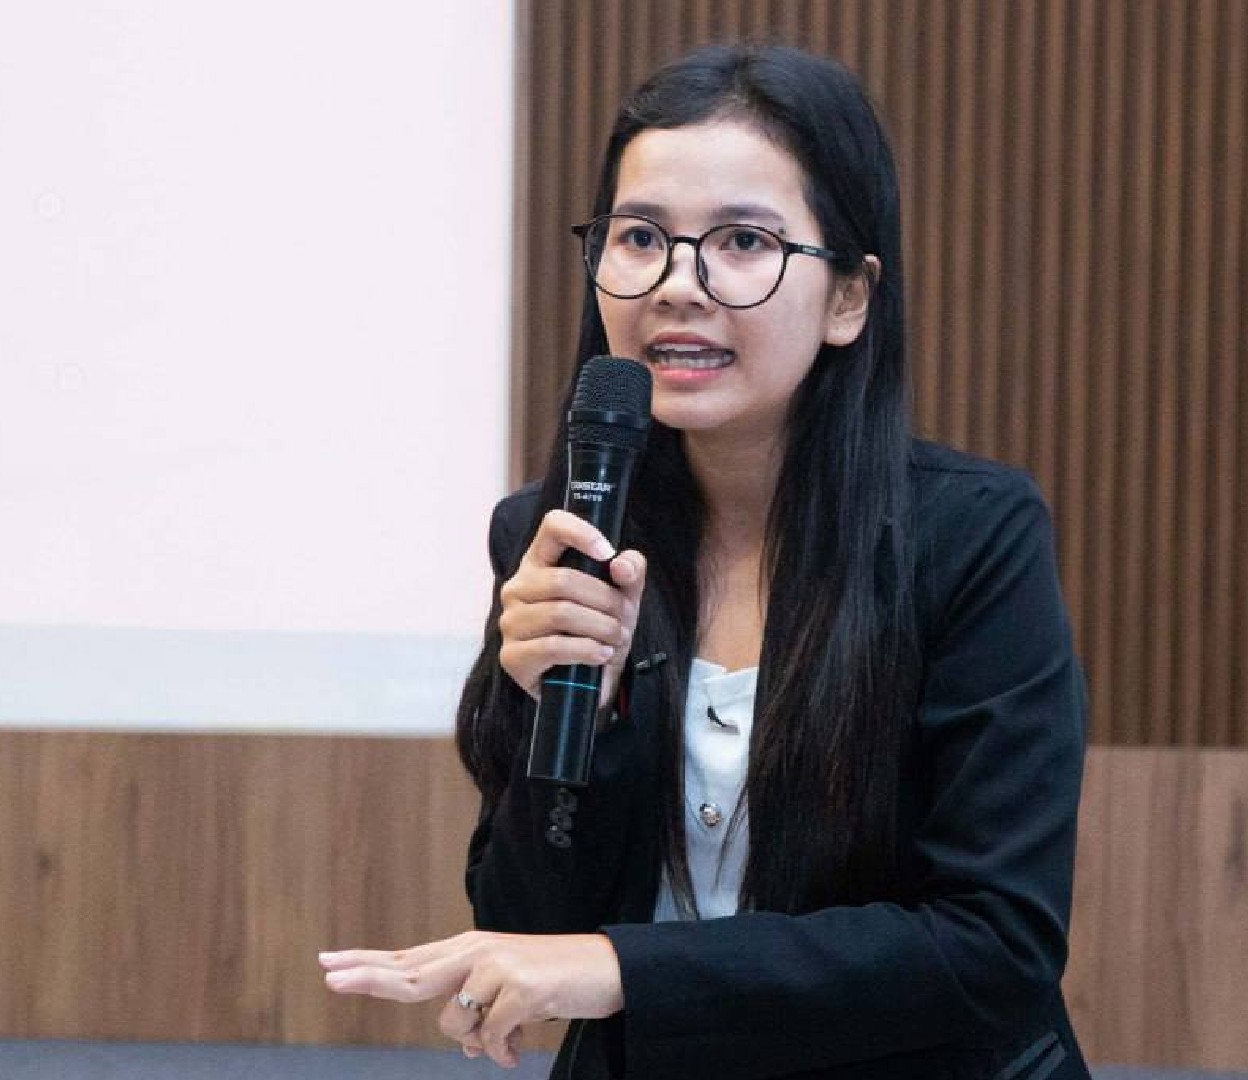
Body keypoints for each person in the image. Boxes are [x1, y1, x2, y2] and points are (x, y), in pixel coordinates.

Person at [321, 43, 1090, 1080]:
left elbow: (995, 944)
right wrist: (579, 722)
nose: (679, 285)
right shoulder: (555, 535)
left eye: (743, 242)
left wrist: (624, 969)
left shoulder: (971, 537)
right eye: (641, 237)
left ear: (850, 297)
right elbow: (527, 926)